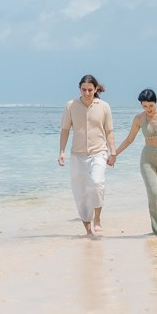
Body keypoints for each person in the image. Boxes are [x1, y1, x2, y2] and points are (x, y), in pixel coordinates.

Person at [110, 88, 157, 236]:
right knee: (154, 194)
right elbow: (129, 139)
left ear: (156, 102)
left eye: (150, 106)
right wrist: (114, 153)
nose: (148, 109)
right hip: (147, 159)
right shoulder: (139, 119)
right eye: (144, 106)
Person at [57, 75, 115, 237]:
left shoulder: (104, 106)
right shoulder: (71, 106)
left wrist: (113, 151)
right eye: (84, 89)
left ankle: (97, 219)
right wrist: (61, 151)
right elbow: (65, 130)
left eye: (90, 90)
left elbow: (109, 131)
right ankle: (88, 229)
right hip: (77, 154)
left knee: (97, 182)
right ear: (79, 89)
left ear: (96, 89)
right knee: (80, 192)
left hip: (99, 152)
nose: (87, 93)